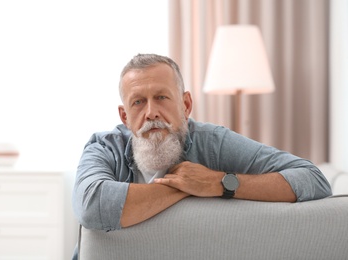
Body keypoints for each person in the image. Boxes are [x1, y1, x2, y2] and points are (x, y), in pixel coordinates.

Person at [71, 53, 332, 259]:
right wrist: (188, 188)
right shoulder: (103, 147)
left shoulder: (214, 142)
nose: (151, 112)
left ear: (185, 105)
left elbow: (313, 180)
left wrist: (219, 182)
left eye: (161, 97)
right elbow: (93, 205)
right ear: (124, 116)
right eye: (138, 101)